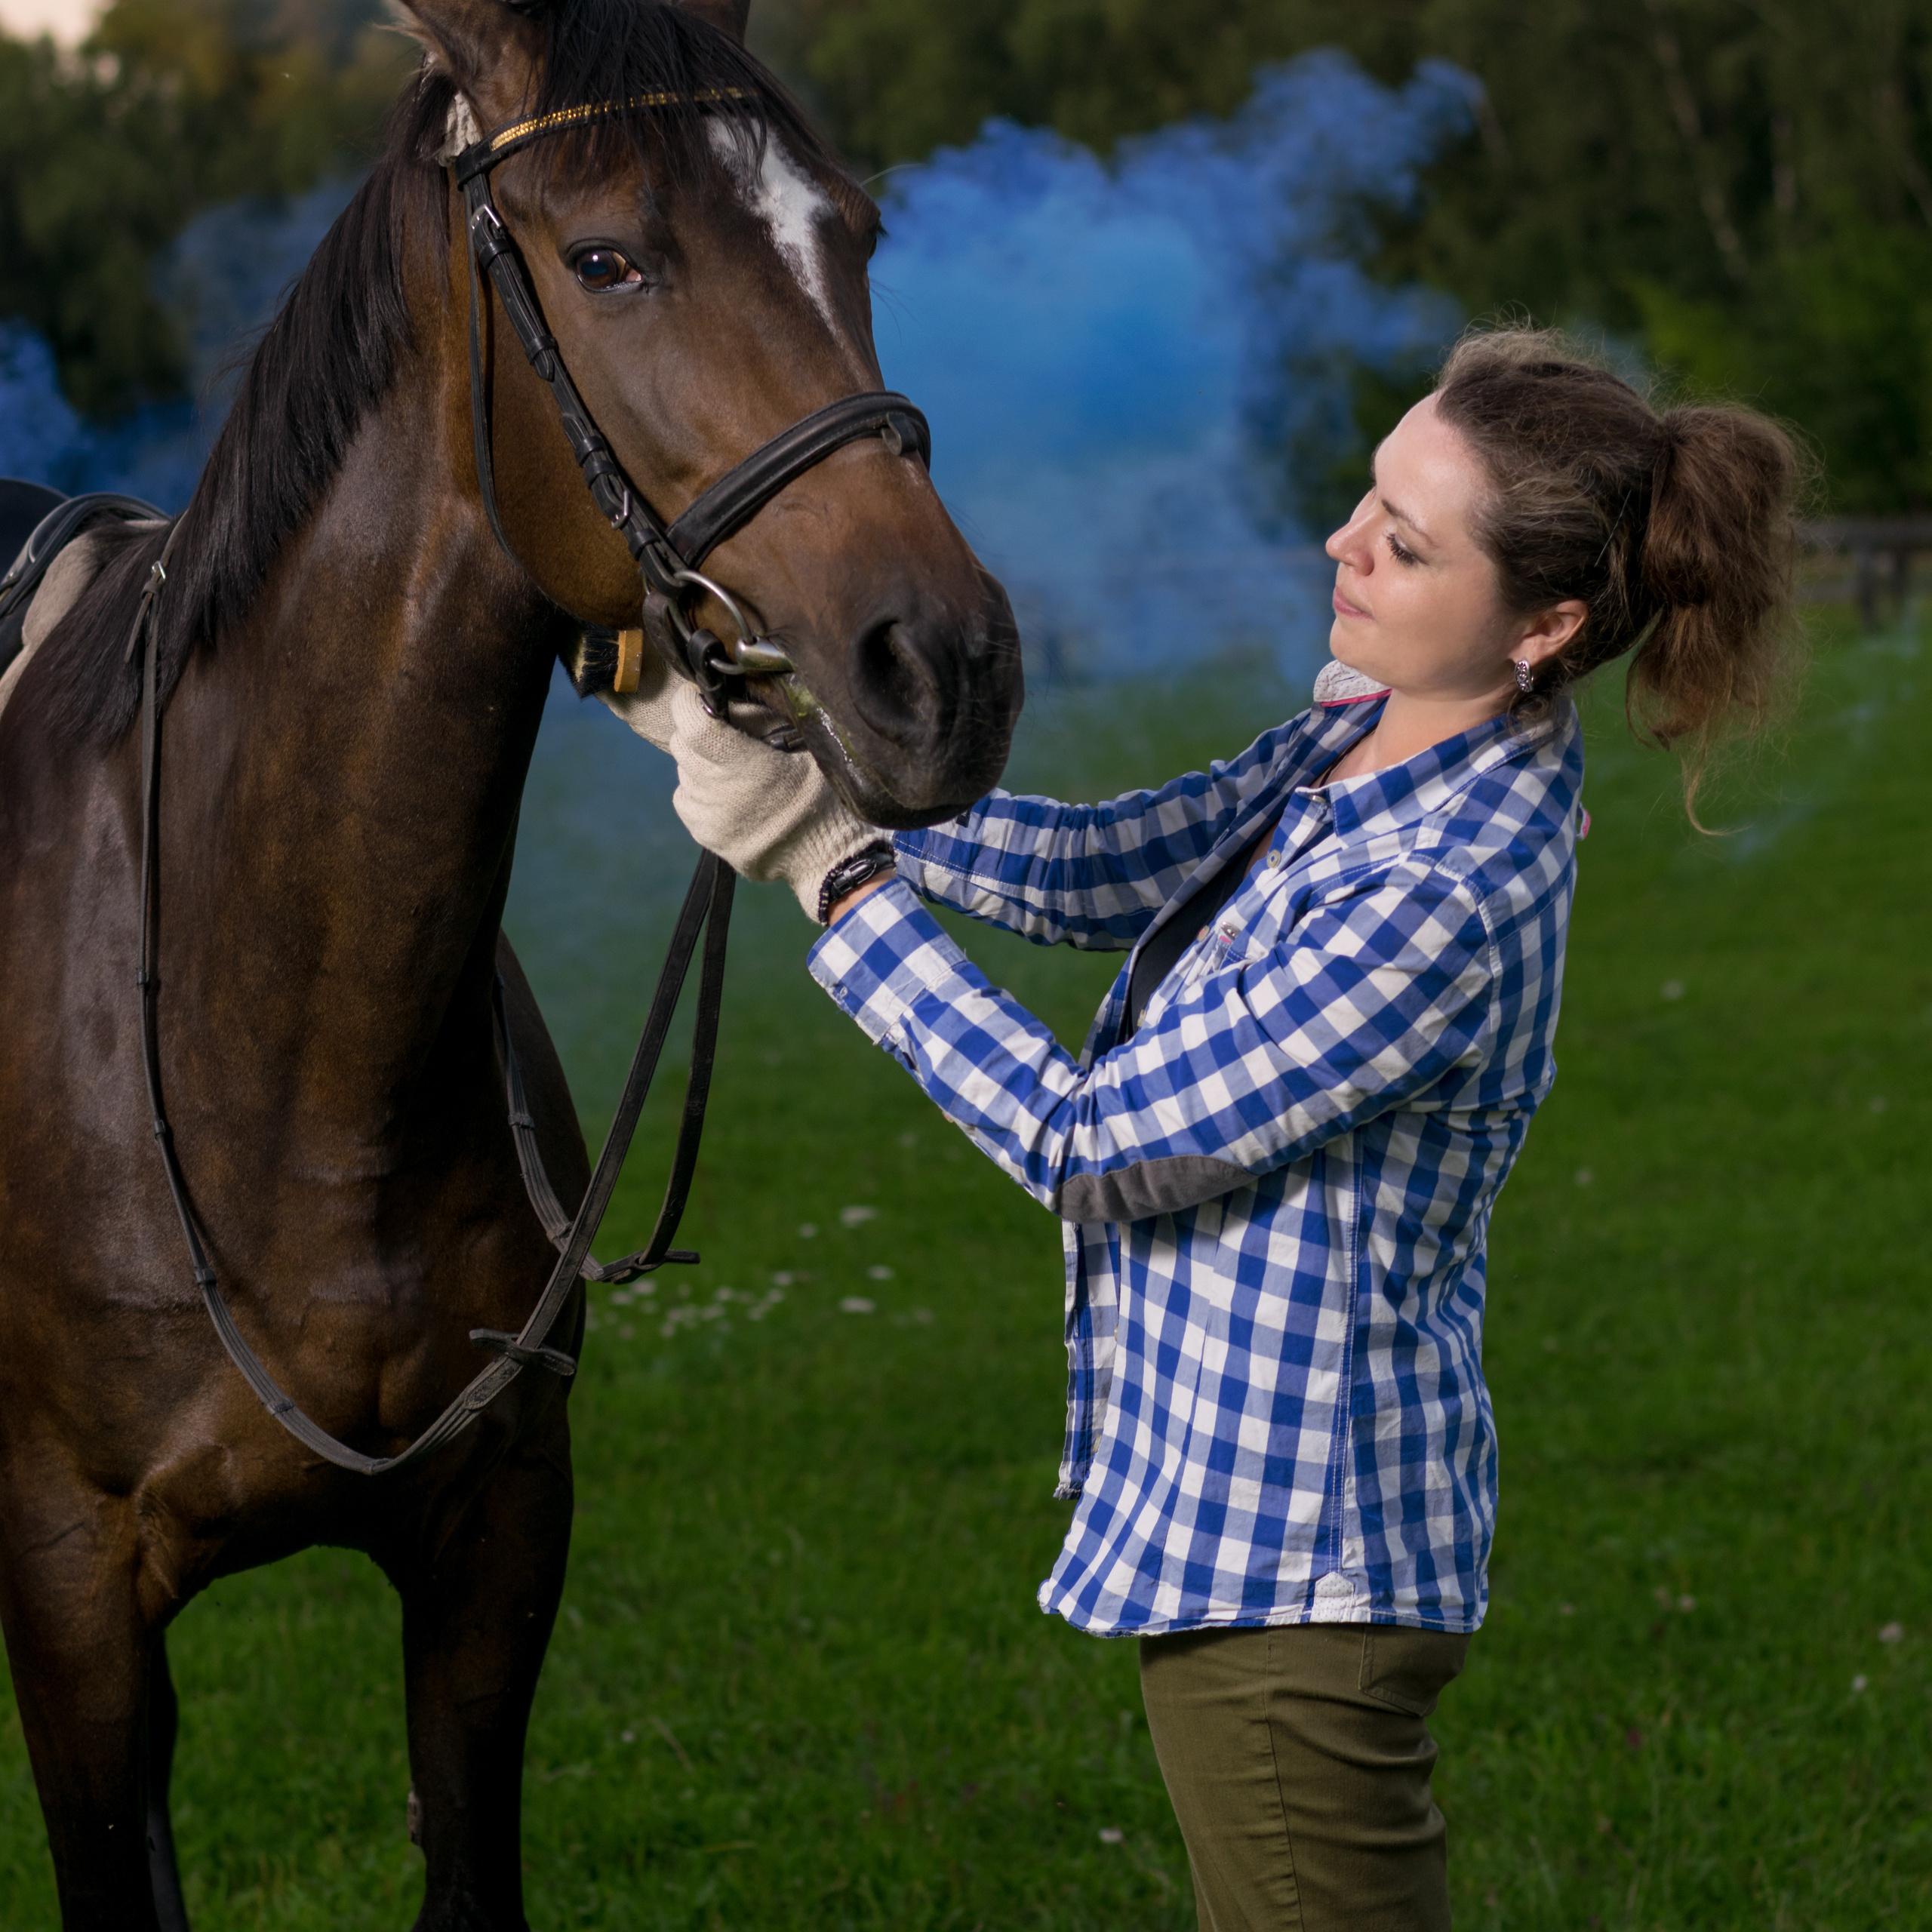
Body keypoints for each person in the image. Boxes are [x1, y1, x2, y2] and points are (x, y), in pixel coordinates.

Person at [607, 329, 1803, 1929]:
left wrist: (831, 871)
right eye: (1363, 497)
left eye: (1403, 537)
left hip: (1302, 1585)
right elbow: (1101, 868)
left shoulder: (1444, 883)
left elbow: (1095, 1149)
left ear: (1549, 622)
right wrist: (822, 742)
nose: (1343, 545)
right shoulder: (1360, 734)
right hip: (1244, 1549)